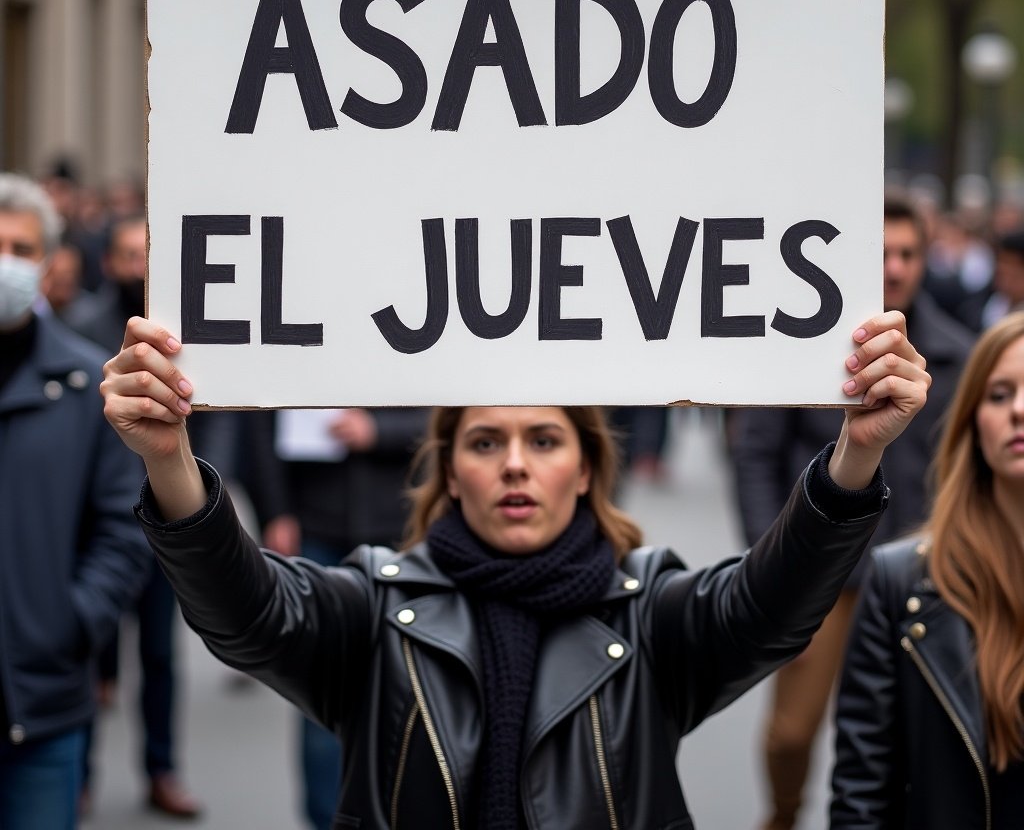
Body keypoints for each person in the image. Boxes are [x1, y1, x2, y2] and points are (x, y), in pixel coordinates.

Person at [100, 308, 929, 830]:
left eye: (544, 440)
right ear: (451, 470)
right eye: (486, 442)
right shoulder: (375, 610)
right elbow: (247, 615)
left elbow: (770, 605)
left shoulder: (650, 616)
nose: (516, 466)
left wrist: (855, 455)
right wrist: (171, 463)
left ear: (586, 466)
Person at [728, 190, 974, 830]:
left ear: (925, 257)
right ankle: (780, 816)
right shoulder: (803, 338)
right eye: (882, 252)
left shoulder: (955, 352)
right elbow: (755, 450)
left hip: (923, 573)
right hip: (823, 572)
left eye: (908, 252)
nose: (894, 266)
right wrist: (773, 556)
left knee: (905, 737)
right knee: (791, 734)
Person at [831, 311, 1024, 828]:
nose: (1019, 410)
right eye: (1001, 394)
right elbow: (861, 791)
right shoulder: (901, 580)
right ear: (972, 422)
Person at [0, 173, 150, 830]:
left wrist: (71, 621)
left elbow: (123, 529)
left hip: (43, 704)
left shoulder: (88, 382)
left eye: (22, 249)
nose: (6, 262)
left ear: (51, 262)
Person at [67, 213, 203, 819]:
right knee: (89, 652)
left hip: (159, 519)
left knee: (158, 656)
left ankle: (161, 768)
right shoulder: (82, 332)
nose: (135, 267)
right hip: (98, 524)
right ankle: (81, 773)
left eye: (143, 256)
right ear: (109, 262)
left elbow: (208, 421)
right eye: (126, 255)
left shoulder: (184, 336)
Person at [240, 406, 427, 830]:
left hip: (401, 531)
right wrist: (275, 511)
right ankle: (325, 819)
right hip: (317, 528)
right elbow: (259, 424)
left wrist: (378, 430)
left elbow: (444, 411)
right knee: (320, 687)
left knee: (411, 687)